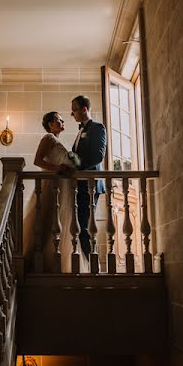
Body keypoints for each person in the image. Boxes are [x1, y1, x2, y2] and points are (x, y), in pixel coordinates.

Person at [22, 111, 78, 273]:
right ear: (50, 124)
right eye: (59, 120)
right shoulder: (48, 139)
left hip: (62, 188)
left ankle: (54, 262)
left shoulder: (58, 142)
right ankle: (36, 263)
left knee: (56, 224)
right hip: (50, 186)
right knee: (45, 222)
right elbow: (37, 160)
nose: (62, 122)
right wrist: (58, 168)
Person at [69, 95, 107, 265]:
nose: (72, 114)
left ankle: (94, 266)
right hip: (80, 185)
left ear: (84, 109)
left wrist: (77, 167)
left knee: (85, 227)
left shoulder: (98, 128)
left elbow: (98, 156)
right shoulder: (80, 131)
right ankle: (89, 264)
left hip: (90, 184)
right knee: (80, 226)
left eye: (74, 110)